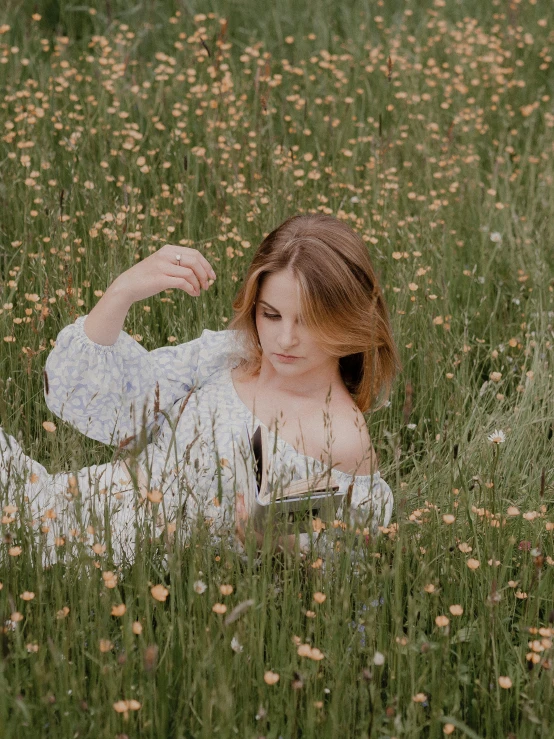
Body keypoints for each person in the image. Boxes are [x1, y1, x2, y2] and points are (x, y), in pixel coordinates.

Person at [0, 213, 402, 567]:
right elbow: (104, 402)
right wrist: (122, 291)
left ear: (348, 319)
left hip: (130, 558)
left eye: (309, 321)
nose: (284, 339)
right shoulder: (232, 354)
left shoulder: (342, 438)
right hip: (81, 502)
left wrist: (271, 544)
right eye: (271, 314)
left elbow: (342, 559)